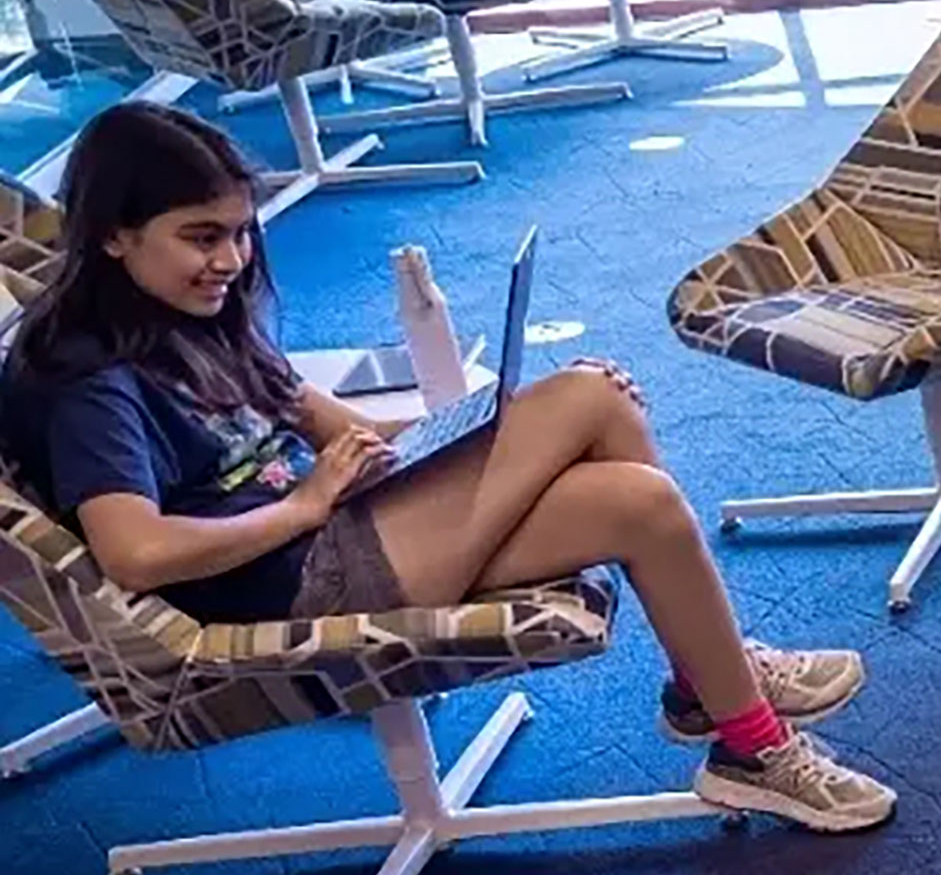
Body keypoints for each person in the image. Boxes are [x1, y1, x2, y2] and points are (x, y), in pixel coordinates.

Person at [0, 101, 895, 831]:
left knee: (622, 462)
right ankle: (735, 715)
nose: (231, 260)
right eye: (202, 237)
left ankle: (729, 713)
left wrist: (452, 432)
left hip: (339, 532)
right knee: (598, 425)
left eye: (239, 233)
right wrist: (308, 505)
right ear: (115, 235)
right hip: (294, 584)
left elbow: (322, 420)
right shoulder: (90, 380)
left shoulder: (183, 318)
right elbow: (134, 553)